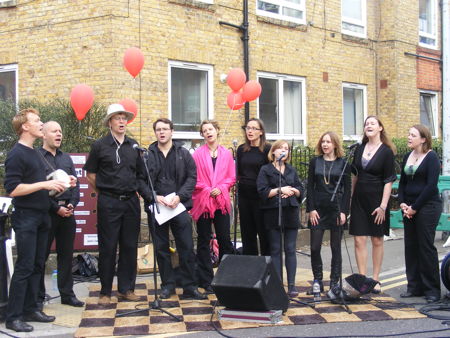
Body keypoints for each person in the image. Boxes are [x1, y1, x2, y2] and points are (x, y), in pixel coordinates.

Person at [4, 108, 74, 332]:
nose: (40, 123)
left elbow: (42, 181)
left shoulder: (34, 153)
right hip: (26, 218)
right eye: (36, 120)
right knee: (24, 266)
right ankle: (13, 317)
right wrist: (45, 184)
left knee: (37, 265)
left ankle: (32, 308)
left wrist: (61, 181)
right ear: (25, 126)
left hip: (43, 215)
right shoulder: (16, 153)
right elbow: (13, 188)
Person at [84, 103, 150, 305]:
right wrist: (106, 191)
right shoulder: (100, 145)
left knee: (130, 246)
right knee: (108, 246)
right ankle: (105, 291)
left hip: (131, 201)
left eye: (124, 118)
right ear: (110, 122)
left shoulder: (134, 145)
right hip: (109, 202)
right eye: (117, 118)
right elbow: (90, 175)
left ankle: (126, 289)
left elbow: (140, 174)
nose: (122, 121)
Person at [144, 118, 206, 300]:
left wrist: (180, 196)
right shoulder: (147, 155)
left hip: (178, 206)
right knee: (162, 249)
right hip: (158, 207)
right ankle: (167, 286)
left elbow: (192, 177)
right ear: (155, 133)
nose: (161, 132)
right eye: (158, 130)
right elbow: (141, 180)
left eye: (165, 129)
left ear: (172, 131)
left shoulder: (183, 153)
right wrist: (154, 196)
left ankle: (190, 286)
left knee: (186, 247)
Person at [37, 121, 84, 308]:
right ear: (43, 134)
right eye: (54, 131)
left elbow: (76, 185)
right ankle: (39, 297)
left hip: (68, 214)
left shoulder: (66, 159)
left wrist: (72, 204)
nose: (59, 134)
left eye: (60, 131)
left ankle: (67, 295)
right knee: (41, 256)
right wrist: (56, 209)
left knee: (66, 256)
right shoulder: (36, 157)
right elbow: (38, 190)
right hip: (48, 213)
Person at [349, 115, 396, 293]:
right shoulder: (359, 149)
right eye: (366, 123)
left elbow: (389, 180)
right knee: (359, 240)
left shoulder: (386, 151)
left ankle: (375, 279)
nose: (368, 125)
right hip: (360, 199)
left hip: (377, 200)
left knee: (377, 240)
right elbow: (355, 176)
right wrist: (352, 199)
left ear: (380, 128)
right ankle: (362, 279)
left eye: (372, 123)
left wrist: (383, 206)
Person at [398, 125, 442, 303]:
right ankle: (414, 286)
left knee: (425, 247)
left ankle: (432, 289)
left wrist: (414, 207)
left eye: (413, 135)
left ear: (423, 139)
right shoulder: (407, 156)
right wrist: (402, 203)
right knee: (411, 246)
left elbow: (431, 186)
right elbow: (402, 183)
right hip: (408, 207)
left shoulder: (431, 157)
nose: (409, 137)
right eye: (408, 134)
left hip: (427, 206)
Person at [191, 120, 236, 293]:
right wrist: (208, 189)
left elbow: (231, 177)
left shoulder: (226, 154)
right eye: (204, 130)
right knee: (204, 240)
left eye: (211, 129)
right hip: (203, 201)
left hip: (221, 202)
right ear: (202, 135)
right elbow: (194, 178)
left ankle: (225, 278)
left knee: (224, 240)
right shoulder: (197, 155)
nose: (208, 132)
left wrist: (222, 188)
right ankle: (206, 279)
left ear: (217, 131)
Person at [256, 140, 304, 297]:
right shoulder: (265, 169)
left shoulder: (291, 169)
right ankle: (277, 285)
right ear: (274, 152)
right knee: (275, 249)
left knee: (290, 249)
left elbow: (300, 188)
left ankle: (291, 286)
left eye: (287, 149)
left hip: (290, 211)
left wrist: (293, 191)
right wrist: (279, 190)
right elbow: (262, 191)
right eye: (281, 148)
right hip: (273, 212)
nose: (284, 151)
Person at [306, 131, 351, 293]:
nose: (325, 144)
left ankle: (334, 281)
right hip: (318, 209)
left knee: (335, 247)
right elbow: (310, 186)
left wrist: (344, 211)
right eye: (323, 141)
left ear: (335, 145)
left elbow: (347, 190)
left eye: (329, 142)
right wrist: (311, 209)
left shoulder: (343, 163)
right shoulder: (315, 162)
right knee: (314, 246)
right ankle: (317, 279)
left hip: (336, 209)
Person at [237, 118, 271, 255]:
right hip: (245, 196)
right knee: (247, 233)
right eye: (248, 128)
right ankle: (250, 266)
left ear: (261, 132)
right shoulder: (241, 149)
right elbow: (238, 172)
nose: (250, 131)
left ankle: (267, 266)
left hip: (261, 197)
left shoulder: (267, 149)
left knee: (264, 233)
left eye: (254, 128)